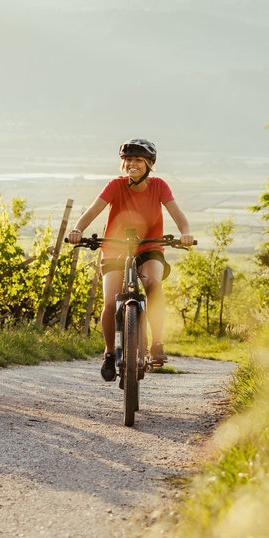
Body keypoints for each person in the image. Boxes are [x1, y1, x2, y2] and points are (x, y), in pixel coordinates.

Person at [66, 138, 196, 379]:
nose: (132, 164)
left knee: (153, 284)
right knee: (110, 301)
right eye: (128, 160)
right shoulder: (115, 185)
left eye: (138, 160)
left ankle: (156, 343)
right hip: (115, 247)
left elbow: (178, 215)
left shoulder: (159, 186)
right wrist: (77, 230)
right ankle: (108, 353)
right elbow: (93, 210)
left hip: (149, 246)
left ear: (149, 164)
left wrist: (185, 234)